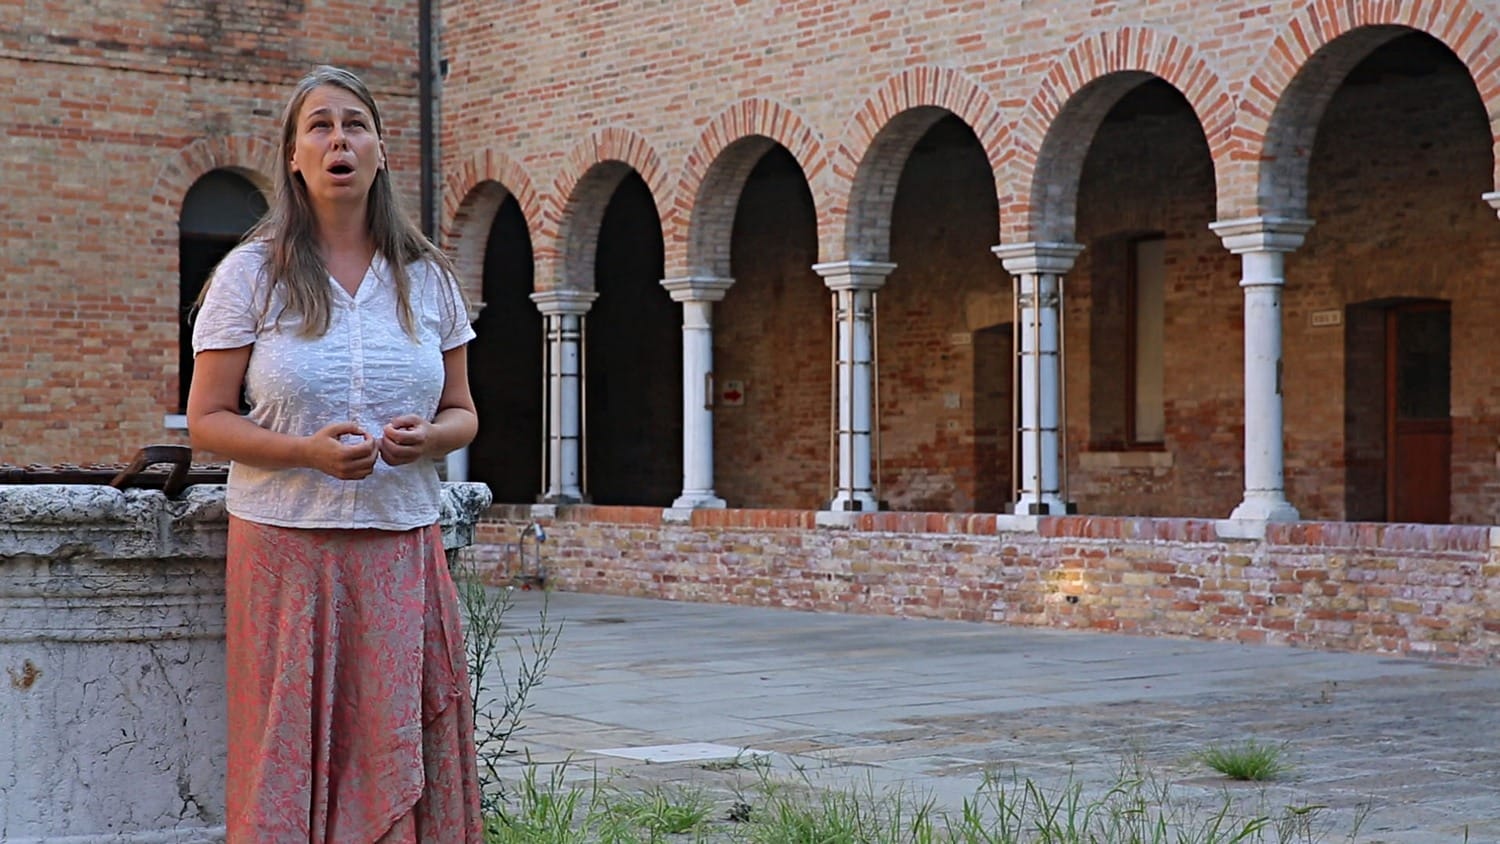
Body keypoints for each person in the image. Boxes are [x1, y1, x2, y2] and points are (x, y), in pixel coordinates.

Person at [187, 65, 483, 842]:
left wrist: (430, 439)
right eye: (318, 126)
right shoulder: (251, 274)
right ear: (293, 155)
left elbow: (463, 414)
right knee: (285, 754)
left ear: (381, 151)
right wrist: (303, 453)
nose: (338, 140)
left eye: (355, 125)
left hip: (400, 546)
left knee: (394, 752)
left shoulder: (428, 279)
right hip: (285, 550)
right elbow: (207, 421)